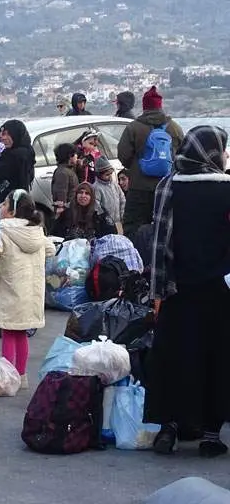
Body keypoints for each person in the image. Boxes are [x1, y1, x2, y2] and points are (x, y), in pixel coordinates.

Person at [147, 125, 230, 458]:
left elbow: (158, 243)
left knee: (174, 358)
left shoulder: (169, 187)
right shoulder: (227, 190)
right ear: (212, 153)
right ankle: (210, 433)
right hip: (219, 293)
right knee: (216, 360)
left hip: (177, 290)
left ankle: (169, 428)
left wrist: (157, 292)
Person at [0, 189, 54, 389]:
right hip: (30, 293)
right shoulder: (36, 231)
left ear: (12, 211)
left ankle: (8, 377)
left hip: (9, 290)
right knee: (21, 333)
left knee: (8, 332)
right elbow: (50, 249)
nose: (0, 206)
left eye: (4, 204)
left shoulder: (3, 230)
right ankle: (22, 376)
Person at [117, 86, 184, 237]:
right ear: (160, 106)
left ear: (144, 106)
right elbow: (182, 156)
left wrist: (135, 167)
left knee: (133, 228)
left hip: (139, 187)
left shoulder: (133, 127)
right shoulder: (174, 128)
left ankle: (136, 258)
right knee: (167, 229)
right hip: (167, 187)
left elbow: (123, 155)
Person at [50, 183, 115, 240]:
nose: (83, 196)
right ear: (76, 195)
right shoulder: (67, 211)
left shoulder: (99, 213)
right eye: (80, 192)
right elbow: (55, 234)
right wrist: (56, 216)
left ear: (92, 196)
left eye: (87, 193)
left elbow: (111, 234)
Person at [92, 157, 126, 233]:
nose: (110, 176)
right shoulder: (96, 187)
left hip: (118, 221)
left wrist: (122, 214)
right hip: (106, 224)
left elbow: (122, 199)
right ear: (99, 174)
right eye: (107, 174)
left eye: (111, 174)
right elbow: (97, 206)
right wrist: (106, 219)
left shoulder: (115, 185)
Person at [51, 143, 79, 219]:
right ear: (70, 156)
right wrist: (61, 210)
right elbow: (61, 193)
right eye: (75, 154)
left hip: (72, 210)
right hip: (67, 213)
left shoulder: (69, 170)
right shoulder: (62, 173)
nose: (77, 156)